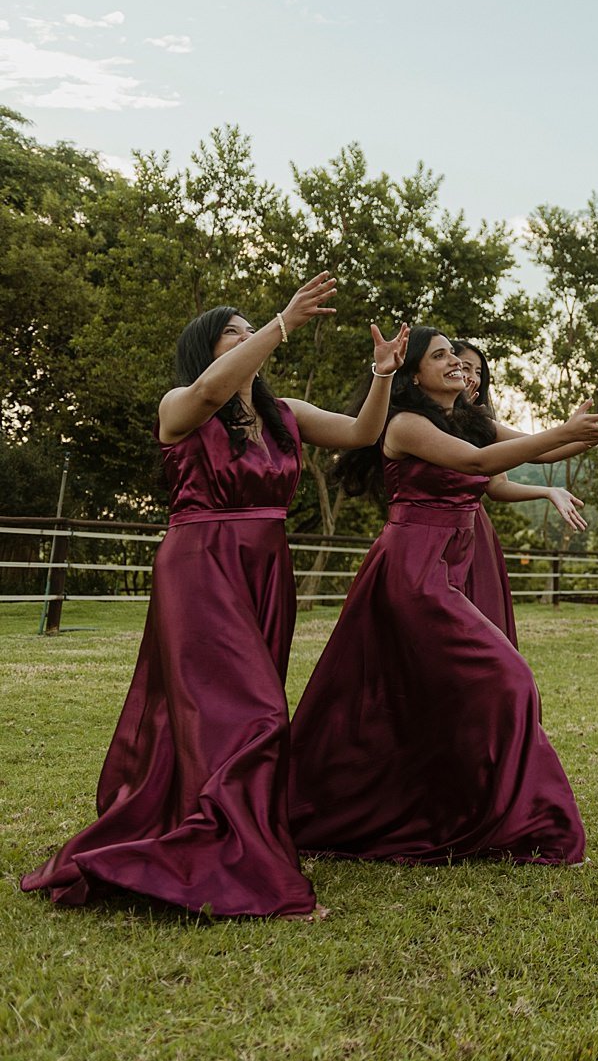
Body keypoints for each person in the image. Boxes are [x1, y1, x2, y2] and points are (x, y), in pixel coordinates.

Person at [21, 275, 405, 918]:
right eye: (236, 331)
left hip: (265, 566)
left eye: (254, 329)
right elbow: (208, 390)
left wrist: (383, 373)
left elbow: (364, 433)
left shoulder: (284, 416)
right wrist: (283, 323)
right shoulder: (183, 403)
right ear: (209, 347)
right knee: (251, 712)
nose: (251, 334)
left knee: (225, 712)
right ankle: (242, 864)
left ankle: (217, 829)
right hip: (201, 565)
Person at [287, 328, 598, 865]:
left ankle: (459, 807)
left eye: (457, 356)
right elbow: (484, 465)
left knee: (430, 698)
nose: (458, 363)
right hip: (413, 568)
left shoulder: (470, 420)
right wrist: (565, 429)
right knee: (506, 677)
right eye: (441, 357)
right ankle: (518, 818)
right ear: (414, 375)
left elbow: (545, 449)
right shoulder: (406, 423)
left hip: (453, 560)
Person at [452, 340, 587, 646]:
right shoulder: (413, 421)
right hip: (425, 538)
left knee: (479, 636)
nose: (472, 376)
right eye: (463, 367)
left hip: (473, 536)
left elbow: (500, 483)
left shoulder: (481, 426)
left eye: (478, 372)